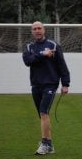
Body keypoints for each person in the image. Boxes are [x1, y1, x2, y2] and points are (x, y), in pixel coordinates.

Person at [22, 21, 70, 155]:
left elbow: (62, 65)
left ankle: (45, 143)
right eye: (34, 29)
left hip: (50, 84)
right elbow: (28, 61)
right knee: (43, 115)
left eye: (39, 28)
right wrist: (43, 54)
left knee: (43, 112)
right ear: (32, 32)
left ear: (44, 30)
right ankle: (50, 145)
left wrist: (65, 84)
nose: (37, 30)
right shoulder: (28, 47)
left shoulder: (53, 45)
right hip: (36, 85)